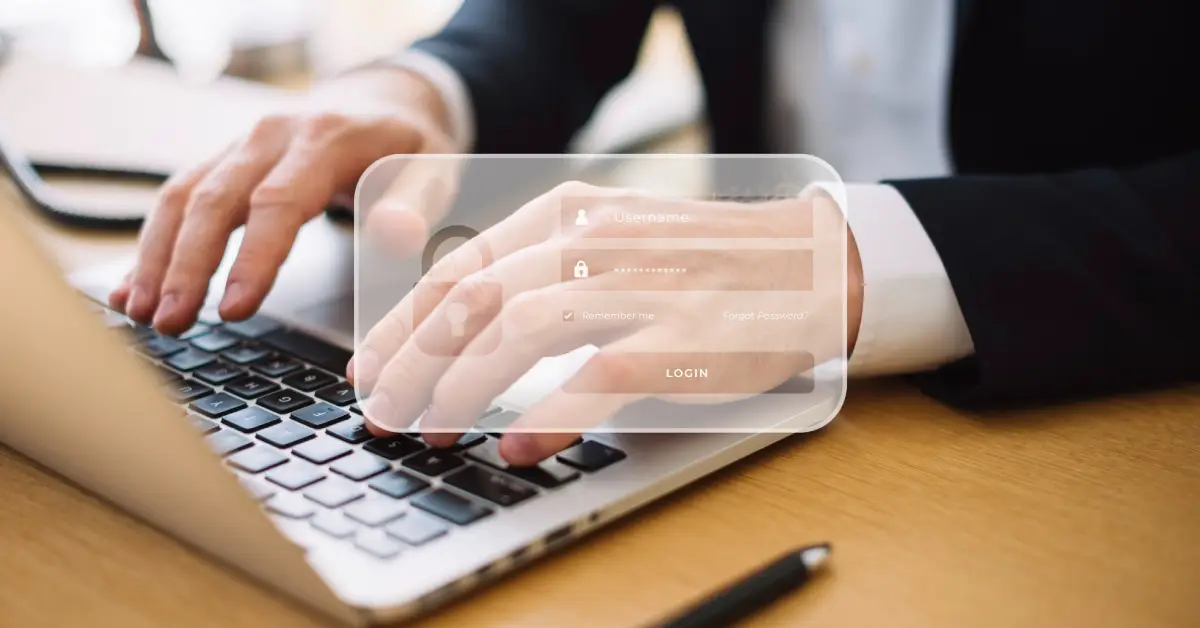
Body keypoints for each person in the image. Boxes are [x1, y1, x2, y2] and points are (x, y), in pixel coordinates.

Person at [111, 0, 1200, 464]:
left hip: (1105, 420)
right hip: (729, 409)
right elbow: (558, 19)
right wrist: (426, 88)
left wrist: (869, 255)